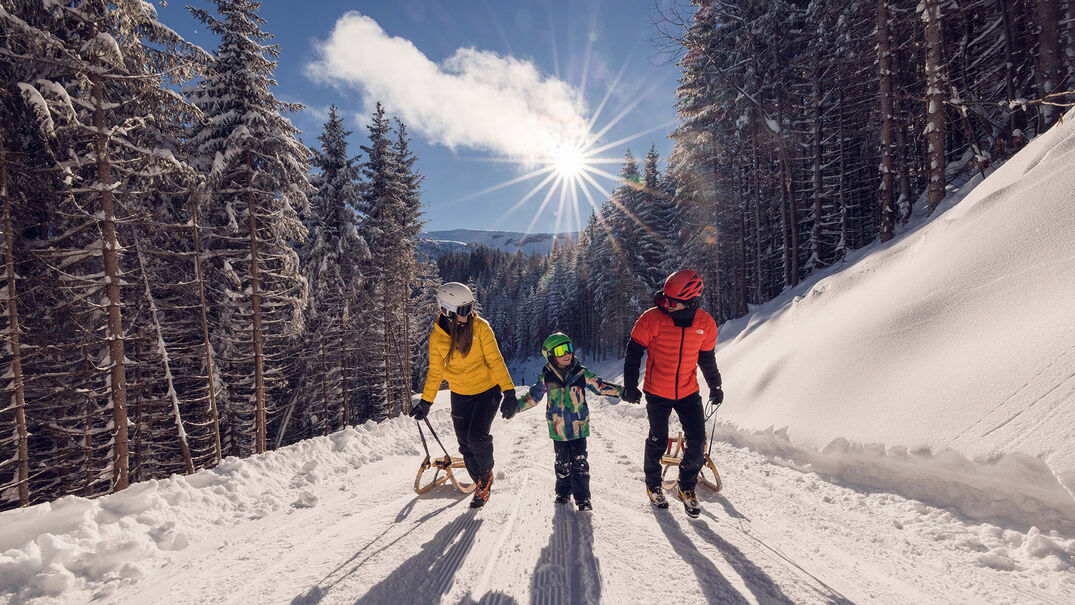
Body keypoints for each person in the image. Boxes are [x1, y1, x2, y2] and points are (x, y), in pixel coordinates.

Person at [621, 270, 723, 518]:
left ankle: (686, 487)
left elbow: (706, 358)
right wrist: (630, 386)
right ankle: (653, 484)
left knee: (697, 441)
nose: (666, 304)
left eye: (672, 301)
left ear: (690, 300)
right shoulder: (651, 319)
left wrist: (715, 386)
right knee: (658, 439)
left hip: (688, 391)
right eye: (665, 298)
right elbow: (634, 352)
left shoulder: (705, 324)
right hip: (657, 390)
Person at [410, 282, 517, 508]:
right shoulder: (437, 338)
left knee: (477, 438)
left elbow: (496, 362)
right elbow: (435, 372)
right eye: (462, 310)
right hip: (460, 395)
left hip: (487, 392)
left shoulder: (481, 328)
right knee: (465, 445)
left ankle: (486, 477)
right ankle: (479, 481)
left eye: (470, 307)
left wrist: (509, 392)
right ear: (446, 311)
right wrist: (426, 402)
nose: (468, 314)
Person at [504, 332, 623, 511]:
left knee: (580, 461)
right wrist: (515, 407)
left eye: (569, 348)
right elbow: (533, 398)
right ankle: (563, 492)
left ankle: (583, 498)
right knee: (562, 461)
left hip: (578, 426)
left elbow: (600, 386)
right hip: (558, 428)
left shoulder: (581, 372)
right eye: (561, 350)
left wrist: (622, 392)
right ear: (551, 355)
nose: (567, 353)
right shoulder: (546, 377)